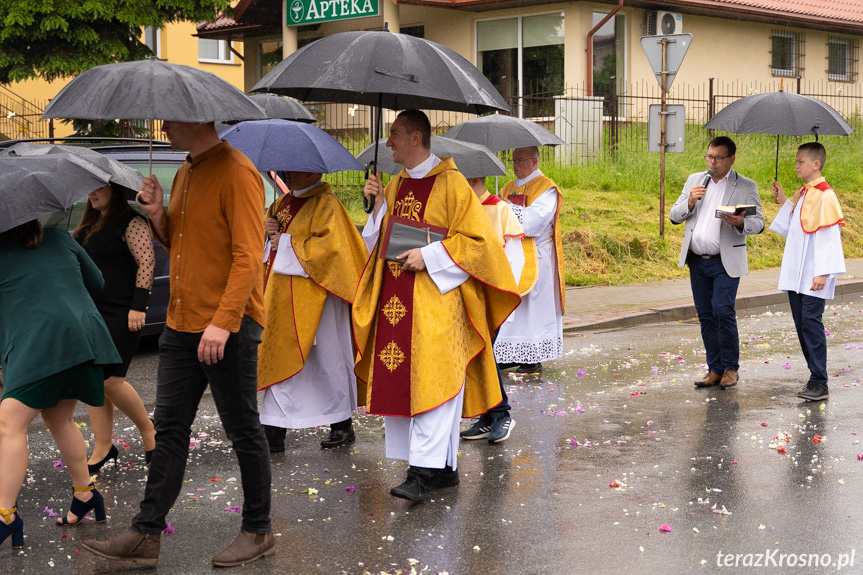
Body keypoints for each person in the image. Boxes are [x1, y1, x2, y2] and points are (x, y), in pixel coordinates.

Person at [82, 121, 274, 568]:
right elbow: (180, 241)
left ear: (196, 119)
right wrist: (156, 215)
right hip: (182, 323)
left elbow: (249, 255)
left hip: (226, 325)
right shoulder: (185, 171)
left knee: (243, 429)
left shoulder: (238, 172)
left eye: (170, 120)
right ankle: (146, 534)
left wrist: (223, 323)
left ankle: (258, 529)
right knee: (169, 430)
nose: (164, 126)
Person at [356, 110, 520, 501]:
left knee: (434, 381)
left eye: (394, 134)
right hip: (397, 302)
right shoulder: (395, 184)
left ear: (416, 137)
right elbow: (382, 241)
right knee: (408, 381)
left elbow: (480, 245)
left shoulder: (452, 185)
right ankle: (442, 470)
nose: (388, 141)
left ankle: (423, 471)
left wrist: (429, 257)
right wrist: (377, 208)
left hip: (438, 303)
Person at [0, 220, 120, 545]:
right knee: (59, 418)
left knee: (8, 424)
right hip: (84, 338)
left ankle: (5, 515)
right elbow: (96, 281)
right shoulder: (58, 236)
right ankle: (85, 494)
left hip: (41, 345)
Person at [257, 170, 368, 452]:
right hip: (283, 297)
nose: (286, 173)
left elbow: (331, 252)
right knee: (282, 353)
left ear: (311, 171)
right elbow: (268, 248)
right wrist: (267, 229)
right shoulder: (281, 203)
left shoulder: (327, 205)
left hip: (320, 300)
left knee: (328, 361)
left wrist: (284, 242)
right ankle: (273, 427)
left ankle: (341, 424)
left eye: (292, 169)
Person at [72, 184, 157, 472]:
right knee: (95, 381)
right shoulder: (87, 225)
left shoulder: (131, 221)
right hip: (92, 312)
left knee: (111, 379)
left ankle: (150, 431)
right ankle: (104, 447)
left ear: (115, 190)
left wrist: (139, 305)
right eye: (89, 190)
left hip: (123, 311)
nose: (91, 194)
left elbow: (146, 262)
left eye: (98, 189)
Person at [669, 136, 764, 390]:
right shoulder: (695, 181)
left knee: (723, 310)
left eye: (718, 158)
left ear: (731, 159)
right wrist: (689, 201)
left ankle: (731, 369)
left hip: (725, 262)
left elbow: (759, 223)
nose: (712, 163)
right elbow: (673, 216)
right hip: (697, 261)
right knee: (706, 315)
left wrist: (741, 222)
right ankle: (714, 369)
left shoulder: (745, 185)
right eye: (709, 157)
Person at [460, 176, 537, 443]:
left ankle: (502, 414)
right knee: (480, 353)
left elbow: (514, 259)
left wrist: (503, 297)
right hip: (465, 294)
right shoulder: (461, 209)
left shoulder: (500, 209)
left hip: (492, 296)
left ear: (475, 178)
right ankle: (487, 417)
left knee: (485, 352)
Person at [769, 142, 845, 401]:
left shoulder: (825, 195)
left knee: (811, 323)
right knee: (802, 324)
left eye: (800, 161)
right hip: (798, 275)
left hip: (813, 275)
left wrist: (823, 273)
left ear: (816, 164)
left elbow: (829, 237)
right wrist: (783, 200)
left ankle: (819, 381)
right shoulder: (805, 193)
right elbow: (796, 227)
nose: (796, 165)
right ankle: (814, 377)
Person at [494, 146, 565, 375]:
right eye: (513, 160)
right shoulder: (508, 187)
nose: (515, 165)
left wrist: (505, 208)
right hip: (513, 254)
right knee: (513, 306)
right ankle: (510, 353)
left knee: (533, 307)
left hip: (538, 256)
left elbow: (533, 222)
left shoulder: (547, 188)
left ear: (534, 162)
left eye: (521, 160)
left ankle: (532, 357)